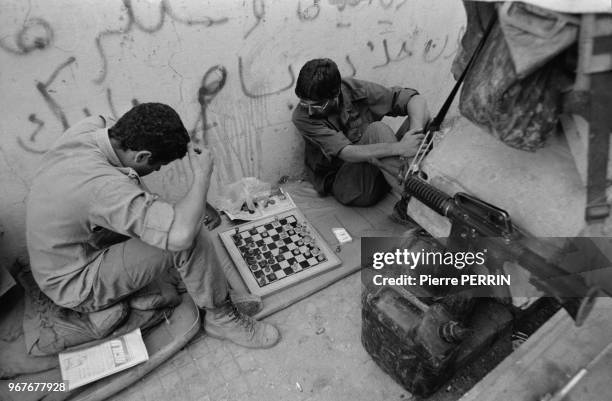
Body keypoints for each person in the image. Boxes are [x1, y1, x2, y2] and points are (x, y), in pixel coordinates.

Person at [26, 103, 279, 351]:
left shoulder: (98, 128)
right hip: (76, 280)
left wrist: (196, 202)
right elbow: (180, 236)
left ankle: (210, 292)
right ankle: (222, 319)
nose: (157, 169)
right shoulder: (101, 187)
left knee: (177, 221)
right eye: (157, 165)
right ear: (142, 156)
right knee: (190, 239)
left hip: (79, 244)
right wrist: (201, 178)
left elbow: (132, 190)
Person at [292, 58, 431, 222]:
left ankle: (423, 187)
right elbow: (347, 153)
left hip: (382, 170)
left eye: (316, 106)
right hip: (351, 186)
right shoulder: (302, 117)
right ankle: (416, 206)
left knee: (424, 117)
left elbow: (415, 99)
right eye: (304, 103)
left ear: (336, 95)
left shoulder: (352, 89)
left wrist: (416, 132)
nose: (309, 110)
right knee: (378, 130)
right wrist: (400, 148)